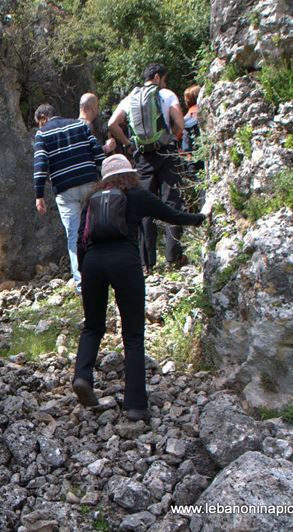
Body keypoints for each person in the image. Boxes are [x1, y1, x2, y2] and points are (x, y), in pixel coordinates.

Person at [71, 155, 205, 420]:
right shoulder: (136, 194)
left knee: (93, 326)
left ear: (105, 178)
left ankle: (82, 376)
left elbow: (80, 241)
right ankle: (135, 405)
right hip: (125, 262)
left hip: (94, 264)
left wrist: (85, 273)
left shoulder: (91, 201)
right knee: (132, 334)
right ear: (129, 174)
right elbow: (171, 215)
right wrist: (200, 217)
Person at [108, 63, 187, 273]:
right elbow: (179, 122)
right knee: (172, 201)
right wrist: (171, 137)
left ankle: (146, 264)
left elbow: (112, 124)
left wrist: (128, 144)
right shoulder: (166, 94)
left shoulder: (130, 99)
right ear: (158, 77)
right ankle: (173, 258)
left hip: (143, 157)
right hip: (166, 152)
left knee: (143, 207)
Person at [33, 103, 115, 292]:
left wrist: (39, 195)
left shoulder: (43, 134)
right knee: (96, 229)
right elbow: (97, 152)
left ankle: (82, 283)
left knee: (74, 235)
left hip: (65, 189)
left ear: (43, 118)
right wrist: (106, 177)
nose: (40, 127)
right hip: (89, 184)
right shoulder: (80, 125)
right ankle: (104, 274)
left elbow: (40, 165)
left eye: (39, 123)